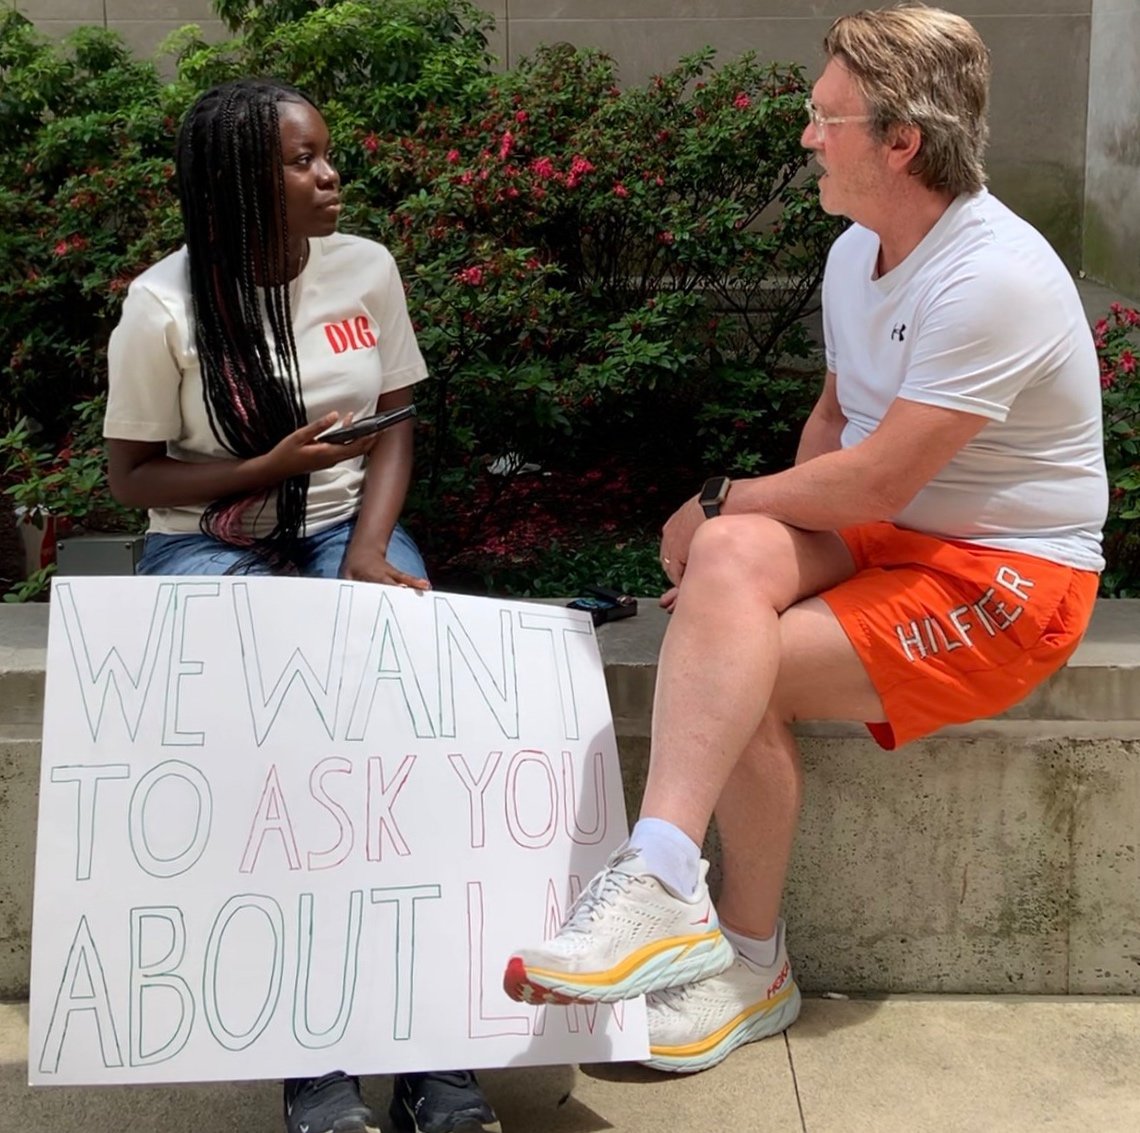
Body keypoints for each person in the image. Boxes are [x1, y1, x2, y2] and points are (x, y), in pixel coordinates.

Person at [502, 3, 1108, 1074]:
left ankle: (747, 958)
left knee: (743, 663)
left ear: (902, 141)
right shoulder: (854, 255)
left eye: (824, 118)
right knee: (731, 570)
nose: (805, 136)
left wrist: (724, 494)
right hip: (889, 536)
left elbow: (879, 472)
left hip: (1010, 576)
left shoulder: (993, 274)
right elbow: (834, 425)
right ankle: (659, 869)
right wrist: (743, 530)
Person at [104, 79, 500, 1133]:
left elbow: (399, 413)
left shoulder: (363, 266)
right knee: (277, 773)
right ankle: (311, 1061)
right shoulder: (163, 307)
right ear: (237, 179)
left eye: (327, 152)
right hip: (207, 547)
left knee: (406, 756)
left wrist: (369, 546)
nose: (330, 175)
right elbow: (133, 478)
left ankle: (434, 1053)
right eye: (300, 160)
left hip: (342, 530)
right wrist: (260, 467)